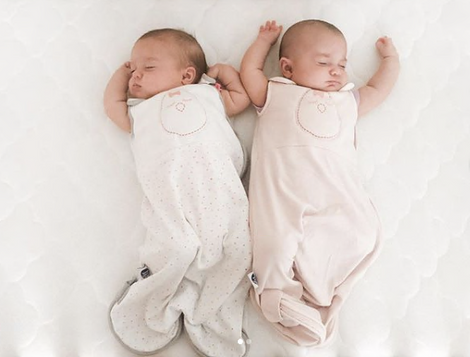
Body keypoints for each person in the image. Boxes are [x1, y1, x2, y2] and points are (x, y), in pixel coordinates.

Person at [240, 20, 400, 347]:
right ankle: (276, 296)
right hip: (282, 191)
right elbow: (250, 72)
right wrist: (263, 41)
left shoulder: (347, 101)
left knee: (363, 233)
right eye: (324, 63)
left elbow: (377, 90)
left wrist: (390, 62)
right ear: (287, 67)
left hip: (334, 188)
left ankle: (328, 298)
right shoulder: (275, 92)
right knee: (275, 241)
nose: (337, 72)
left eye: (342, 64)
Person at [104, 28, 252, 357]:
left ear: (187, 75)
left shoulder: (210, 95)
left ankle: (212, 315)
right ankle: (151, 305)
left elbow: (240, 98)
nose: (136, 75)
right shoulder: (139, 111)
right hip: (169, 194)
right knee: (176, 246)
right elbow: (112, 106)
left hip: (218, 189)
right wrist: (120, 74)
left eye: (148, 68)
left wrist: (226, 73)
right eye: (134, 69)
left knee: (237, 249)